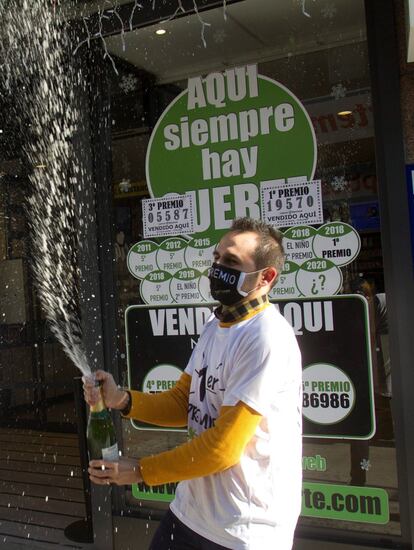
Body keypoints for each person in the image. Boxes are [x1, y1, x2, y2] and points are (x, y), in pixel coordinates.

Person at [83, 217, 302, 550]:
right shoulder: (218, 323)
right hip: (190, 513)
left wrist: (140, 470)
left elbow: (223, 448)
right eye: (216, 259)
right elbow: (182, 403)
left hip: (244, 531)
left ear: (266, 277)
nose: (217, 269)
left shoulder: (265, 337)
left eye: (231, 262)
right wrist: (120, 398)